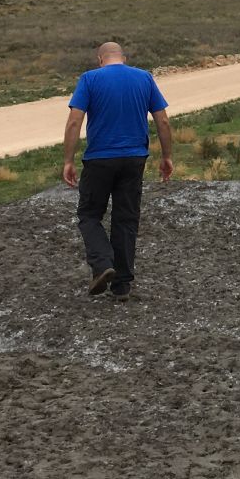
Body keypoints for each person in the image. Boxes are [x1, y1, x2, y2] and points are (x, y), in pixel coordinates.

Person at [62, 42, 173, 302]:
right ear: (123, 58)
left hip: (99, 159)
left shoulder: (89, 79)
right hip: (135, 159)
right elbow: (163, 120)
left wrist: (68, 159)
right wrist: (167, 156)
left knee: (89, 215)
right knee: (126, 219)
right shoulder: (144, 78)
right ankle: (122, 286)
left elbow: (75, 121)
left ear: (101, 59)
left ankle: (102, 265)